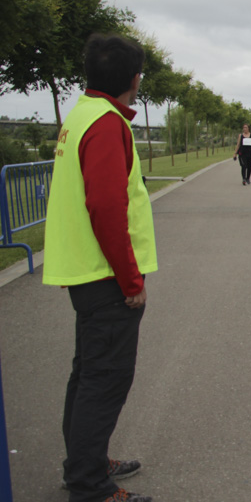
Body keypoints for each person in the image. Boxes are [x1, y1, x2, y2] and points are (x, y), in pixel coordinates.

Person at [42, 33, 156, 502]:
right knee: (105, 379)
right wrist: (131, 281)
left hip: (86, 272)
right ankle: (89, 485)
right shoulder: (108, 124)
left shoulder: (81, 115)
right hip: (106, 276)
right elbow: (107, 206)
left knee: (88, 373)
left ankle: (85, 461)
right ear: (134, 79)